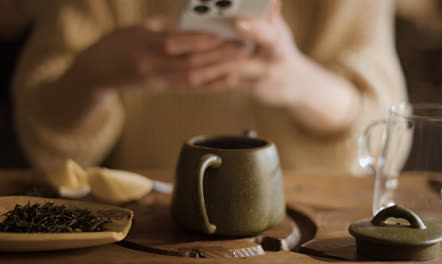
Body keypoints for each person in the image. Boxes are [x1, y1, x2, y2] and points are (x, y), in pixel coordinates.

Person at [12, 0, 406, 175]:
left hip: (310, 235)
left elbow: (388, 141)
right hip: (147, 229)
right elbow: (43, 141)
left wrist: (297, 81)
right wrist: (96, 71)